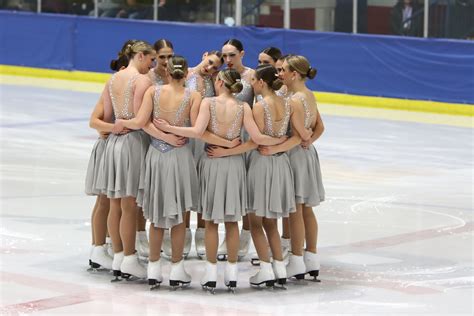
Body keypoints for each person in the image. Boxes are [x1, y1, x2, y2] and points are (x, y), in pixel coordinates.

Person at [155, 68, 287, 292]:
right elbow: (256, 140)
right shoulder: (244, 107)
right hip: (234, 164)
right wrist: (279, 139)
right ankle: (232, 273)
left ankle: (210, 272)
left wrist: (169, 128)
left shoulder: (208, 103)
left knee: (211, 222)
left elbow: (198, 131)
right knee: (232, 221)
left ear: (219, 82)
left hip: (212, 162)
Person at [114, 56, 200, 289]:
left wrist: (161, 134)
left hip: (156, 155)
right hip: (180, 156)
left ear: (168, 72)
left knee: (157, 215)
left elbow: (142, 121)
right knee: (179, 216)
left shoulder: (153, 91)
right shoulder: (193, 96)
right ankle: (176, 268)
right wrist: (173, 134)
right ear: (186, 74)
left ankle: (153, 268)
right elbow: (194, 130)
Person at [95, 40, 156, 280]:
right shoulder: (142, 81)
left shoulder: (113, 79)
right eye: (150, 60)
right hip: (133, 143)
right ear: (140, 56)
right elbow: (141, 120)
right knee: (129, 205)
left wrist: (114, 127)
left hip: (114, 143)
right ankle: (129, 257)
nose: (151, 66)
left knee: (116, 203)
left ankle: (119, 255)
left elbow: (108, 117)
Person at [275, 55, 325, 281]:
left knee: (295, 209)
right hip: (307, 154)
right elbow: (319, 127)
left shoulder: (294, 100)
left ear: (294, 74)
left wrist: (274, 149)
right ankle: (311, 258)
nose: (280, 73)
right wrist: (309, 141)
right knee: (306, 209)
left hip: (294, 155)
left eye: (283, 70)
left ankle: (296, 260)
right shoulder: (309, 95)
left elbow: (297, 136)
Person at [86, 41, 135, 271]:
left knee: (110, 200)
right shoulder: (115, 83)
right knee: (105, 200)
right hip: (109, 147)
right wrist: (112, 127)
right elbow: (94, 120)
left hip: (116, 145)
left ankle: (105, 247)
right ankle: (98, 248)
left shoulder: (124, 84)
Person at [184, 50, 225, 260]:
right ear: (204, 55)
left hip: (204, 138)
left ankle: (201, 232)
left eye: (215, 67)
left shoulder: (215, 82)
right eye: (209, 62)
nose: (210, 68)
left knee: (202, 184)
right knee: (184, 184)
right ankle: (182, 233)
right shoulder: (184, 74)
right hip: (184, 137)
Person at [218, 38, 256, 260]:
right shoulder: (221, 76)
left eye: (232, 55)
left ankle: (245, 235)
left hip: (247, 137)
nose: (228, 60)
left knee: (248, 190)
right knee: (231, 189)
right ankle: (228, 235)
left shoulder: (252, 76)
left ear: (242, 53)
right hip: (228, 137)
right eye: (225, 56)